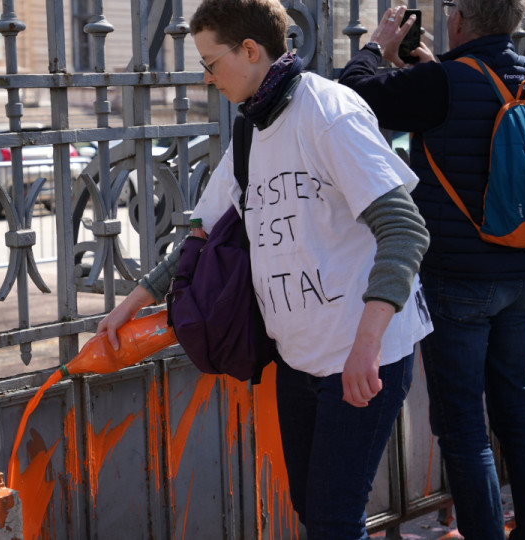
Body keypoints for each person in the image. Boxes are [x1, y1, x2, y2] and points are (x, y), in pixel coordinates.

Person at [95, 0, 432, 537]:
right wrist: (133, 301)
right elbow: (202, 237)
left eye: (211, 62)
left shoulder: (329, 112)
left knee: (333, 518)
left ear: (250, 50)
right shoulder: (251, 129)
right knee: (311, 507)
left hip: (364, 353)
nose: (207, 79)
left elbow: (405, 229)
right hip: (298, 359)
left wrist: (366, 345)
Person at [338, 2, 525, 539]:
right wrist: (437, 66)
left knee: (463, 427)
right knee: (520, 414)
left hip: (459, 279)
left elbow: (352, 96)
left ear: (461, 20)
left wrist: (377, 48)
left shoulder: (444, 82)